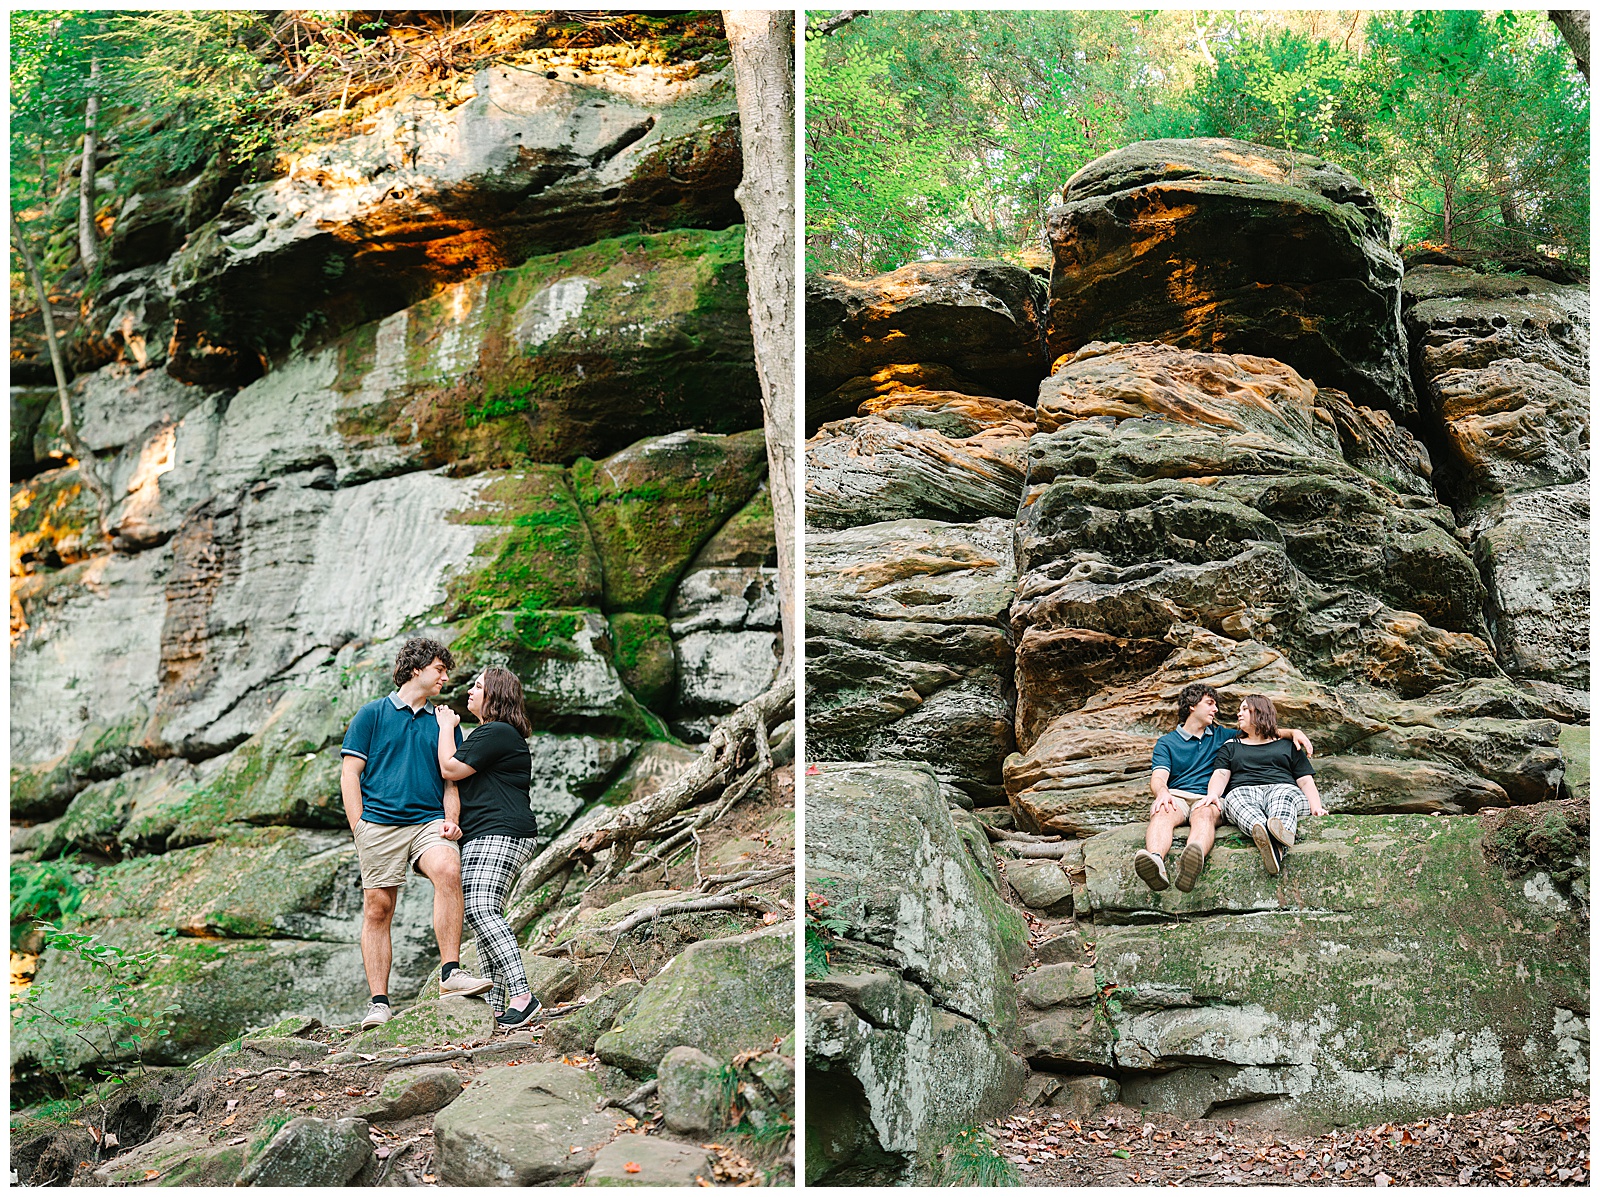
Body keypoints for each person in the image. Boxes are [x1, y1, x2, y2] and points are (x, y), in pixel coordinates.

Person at [341, 637, 492, 1031]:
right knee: (378, 909)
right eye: (440, 669)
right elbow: (350, 774)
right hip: (378, 825)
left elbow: (450, 782)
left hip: (428, 821)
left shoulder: (444, 722)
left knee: (448, 869)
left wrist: (452, 819)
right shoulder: (371, 714)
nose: (445, 676)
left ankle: (451, 974)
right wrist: (358, 826)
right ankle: (378, 1003)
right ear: (415, 669)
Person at [435, 666, 543, 1031]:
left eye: (478, 686)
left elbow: (450, 769)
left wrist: (447, 728)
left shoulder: (496, 731)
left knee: (480, 909)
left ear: (494, 696)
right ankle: (499, 1006)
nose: (470, 690)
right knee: (483, 915)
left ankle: (523, 996)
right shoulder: (490, 734)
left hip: (502, 831)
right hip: (487, 834)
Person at [1134, 683, 1314, 893]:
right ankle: (1156, 861)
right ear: (1192, 706)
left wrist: (1293, 732)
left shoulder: (1223, 736)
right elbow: (1158, 777)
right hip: (1178, 795)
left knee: (1204, 815)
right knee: (1162, 812)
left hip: (1209, 797)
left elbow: (1259, 731)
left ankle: (1192, 861)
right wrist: (1163, 793)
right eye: (1210, 703)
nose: (1216, 709)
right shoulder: (1167, 742)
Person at [1205, 693, 1328, 876]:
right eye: (1239, 710)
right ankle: (1269, 838)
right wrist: (1213, 794)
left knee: (1282, 796)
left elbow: (1305, 780)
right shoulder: (1231, 745)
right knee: (1234, 798)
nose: (1239, 714)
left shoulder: (1288, 745)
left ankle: (1278, 831)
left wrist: (1316, 807)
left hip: (1283, 788)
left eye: (1245, 709)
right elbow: (1221, 774)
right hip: (1245, 791)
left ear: (1261, 712)